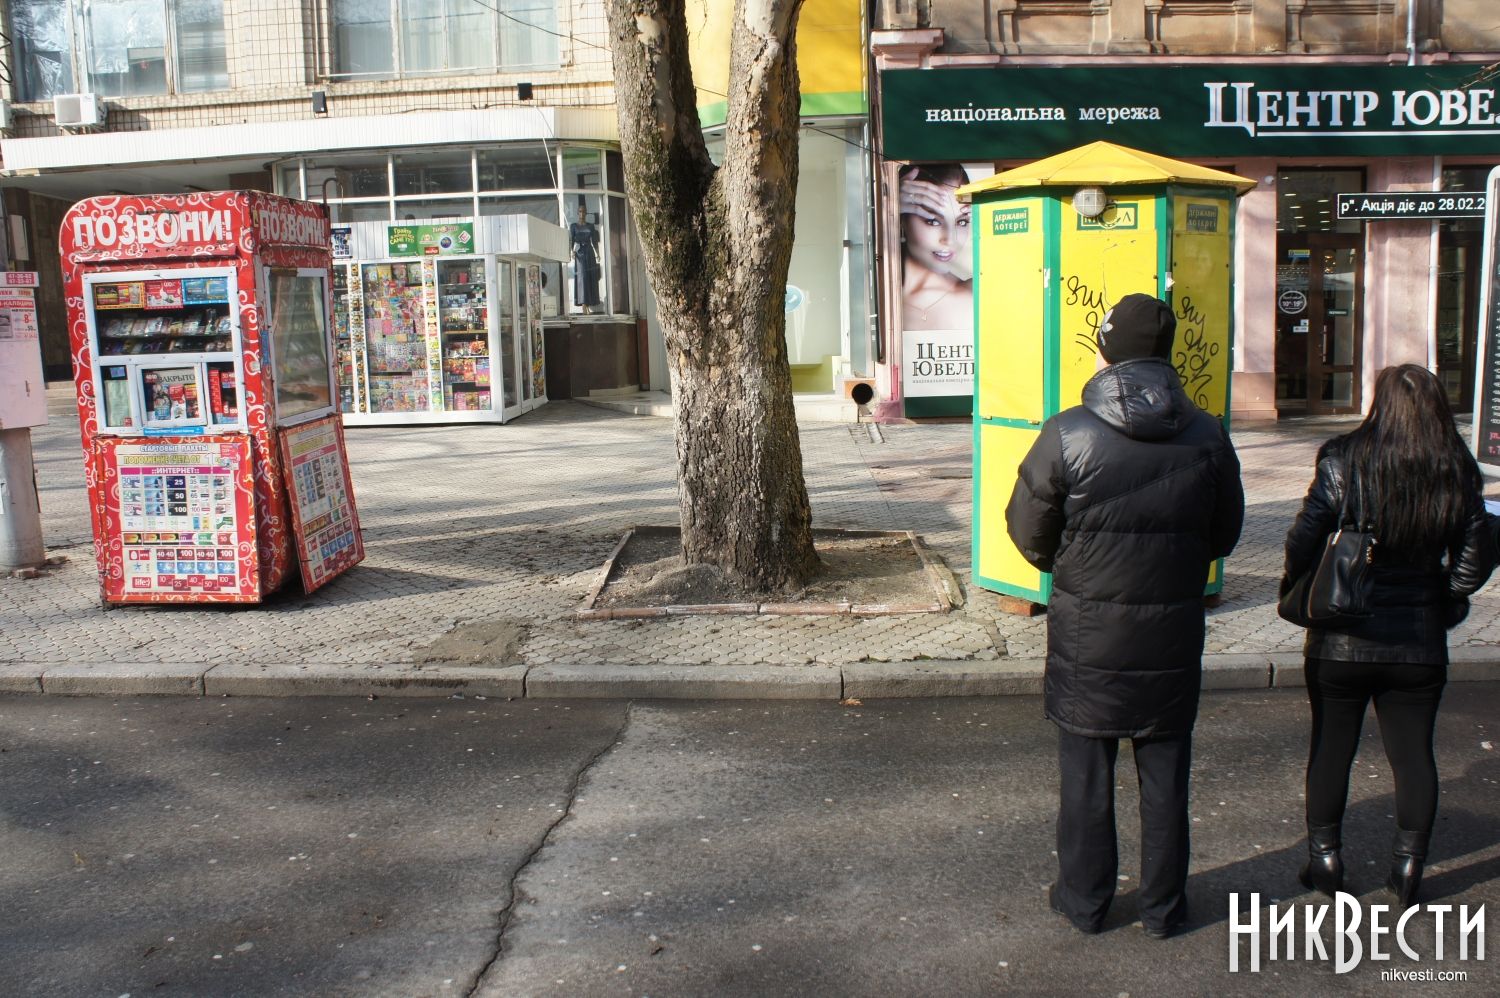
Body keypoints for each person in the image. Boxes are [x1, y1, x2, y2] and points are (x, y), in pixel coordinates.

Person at [1006, 293, 1244, 938]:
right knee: (1165, 774)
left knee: (1086, 773)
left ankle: (1085, 903)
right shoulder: (1209, 432)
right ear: (1166, 353)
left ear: (1107, 351)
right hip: (1171, 631)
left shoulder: (1069, 431)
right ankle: (1165, 910)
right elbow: (1224, 535)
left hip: (1089, 634)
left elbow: (1027, 529)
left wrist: (1073, 567)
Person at [1280, 363, 1494, 905]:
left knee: (1330, 748)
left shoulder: (1342, 459)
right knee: (1414, 754)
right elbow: (1473, 561)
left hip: (1340, 637)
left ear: (1379, 405)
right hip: (1416, 641)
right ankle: (1408, 868)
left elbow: (1304, 537)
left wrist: (1303, 587)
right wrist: (1443, 601)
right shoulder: (1457, 469)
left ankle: (1324, 860)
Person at [899, 164, 972, 331]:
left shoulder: (975, 295)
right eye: (933, 220)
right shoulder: (873, 292)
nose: (950, 239)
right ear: (902, 220)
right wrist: (884, 207)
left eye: (962, 222)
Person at [569, 203, 601, 314]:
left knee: (590, 277)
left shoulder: (590, 226)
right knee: (582, 277)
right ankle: (583, 303)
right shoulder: (573, 226)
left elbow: (594, 241)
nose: (582, 213)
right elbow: (571, 240)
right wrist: (571, 251)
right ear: (578, 213)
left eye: (584, 211)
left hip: (589, 252)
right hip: (579, 253)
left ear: (586, 213)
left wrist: (597, 253)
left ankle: (588, 302)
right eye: (580, 211)